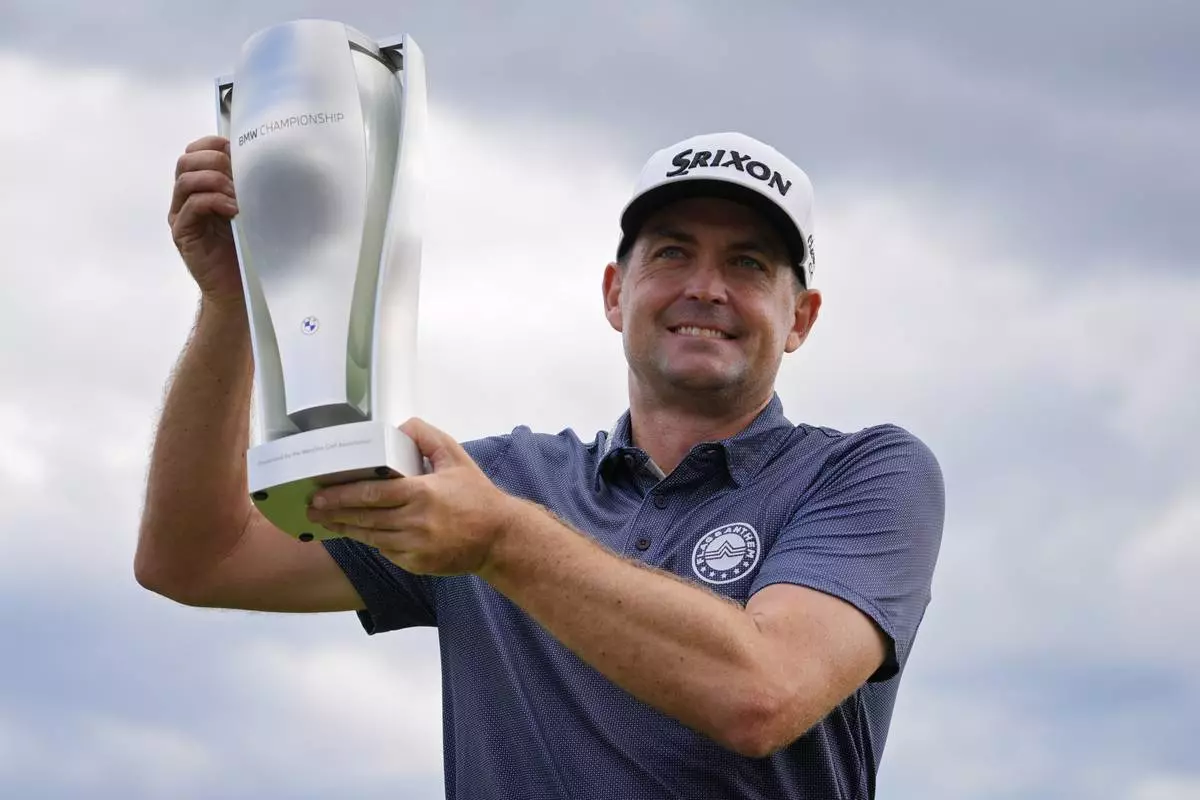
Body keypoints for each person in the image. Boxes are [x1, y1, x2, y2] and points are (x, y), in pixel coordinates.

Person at [139, 129, 945, 799]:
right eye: (671, 254)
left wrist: (499, 543)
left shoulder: (867, 475)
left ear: (799, 316)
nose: (707, 288)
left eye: (749, 264)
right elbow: (197, 558)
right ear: (613, 294)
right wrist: (231, 306)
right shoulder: (495, 486)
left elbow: (763, 694)